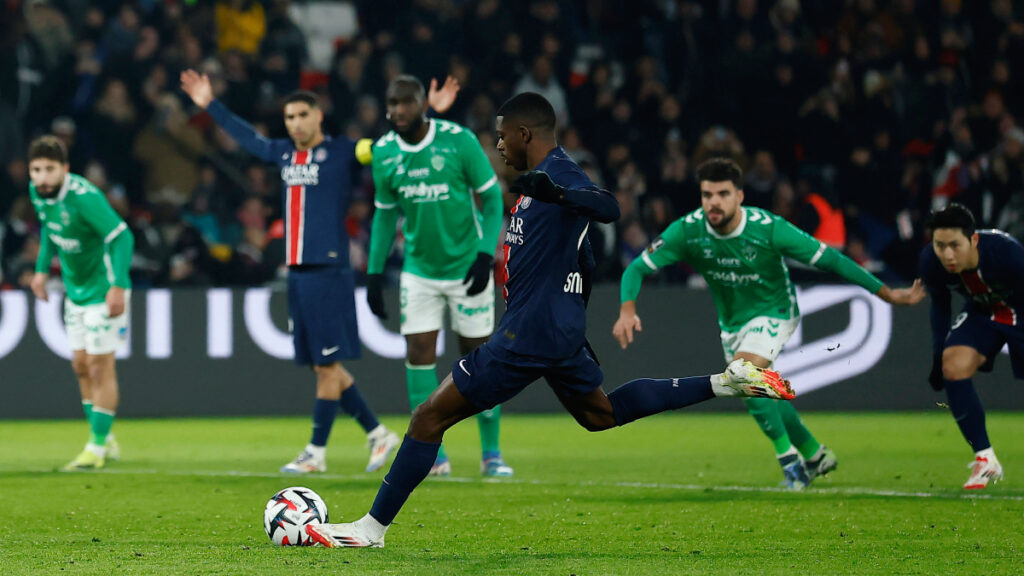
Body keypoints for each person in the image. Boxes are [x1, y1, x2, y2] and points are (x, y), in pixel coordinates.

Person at [305, 93, 795, 549]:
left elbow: (609, 206)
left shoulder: (561, 172)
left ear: (524, 134)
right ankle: (724, 383)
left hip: (529, 334)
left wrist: (559, 194)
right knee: (600, 414)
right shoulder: (533, 182)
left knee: (428, 418)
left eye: (501, 136)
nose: (496, 144)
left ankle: (371, 530)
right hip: (555, 329)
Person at [179, 70, 456, 474]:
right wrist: (210, 104)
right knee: (322, 365)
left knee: (326, 367)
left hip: (328, 270)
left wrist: (428, 113)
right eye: (288, 117)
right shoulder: (285, 154)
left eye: (301, 115)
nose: (294, 124)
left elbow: (389, 143)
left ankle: (316, 452)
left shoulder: (344, 151)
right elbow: (248, 140)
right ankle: (377, 433)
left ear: (318, 116)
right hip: (298, 273)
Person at [613, 158, 926, 489]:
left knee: (741, 374)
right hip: (733, 324)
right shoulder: (688, 230)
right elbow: (637, 268)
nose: (713, 202)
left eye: (722, 194)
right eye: (707, 194)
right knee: (753, 384)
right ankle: (814, 453)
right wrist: (627, 308)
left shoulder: (768, 228)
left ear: (740, 196)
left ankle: (790, 462)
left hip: (775, 311)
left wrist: (886, 292)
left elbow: (832, 259)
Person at [366, 75, 510, 477]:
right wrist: (374, 274)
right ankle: (433, 455)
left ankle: (492, 453)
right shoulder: (384, 153)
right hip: (419, 273)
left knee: (479, 360)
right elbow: (384, 215)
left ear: (423, 104)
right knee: (418, 355)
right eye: (391, 104)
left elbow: (493, 199)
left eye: (405, 103)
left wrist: (485, 256)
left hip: (467, 266)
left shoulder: (458, 140)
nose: (397, 111)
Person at [27, 135, 135, 470]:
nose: (42, 177)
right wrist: (42, 271)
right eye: (36, 170)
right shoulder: (38, 194)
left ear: (65, 169)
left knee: (101, 366)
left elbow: (122, 236)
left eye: (49, 169)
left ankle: (97, 447)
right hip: (75, 292)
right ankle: (104, 435)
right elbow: (49, 228)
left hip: (104, 290)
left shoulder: (85, 198)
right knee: (80, 365)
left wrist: (118, 285)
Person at [920, 203, 1023, 489]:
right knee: (952, 365)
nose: (947, 254)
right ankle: (985, 458)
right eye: (940, 245)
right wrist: (936, 355)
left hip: (1019, 310)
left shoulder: (1007, 253)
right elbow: (940, 308)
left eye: (954, 245)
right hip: (983, 313)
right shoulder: (931, 261)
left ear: (973, 239)